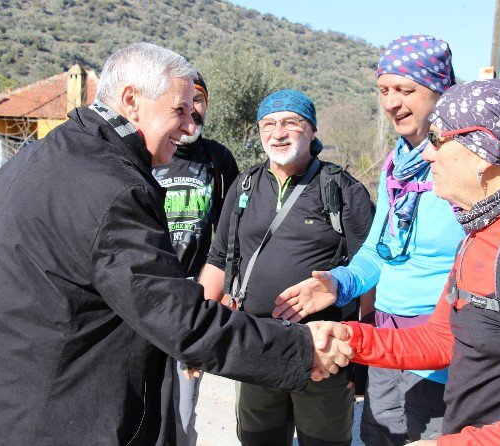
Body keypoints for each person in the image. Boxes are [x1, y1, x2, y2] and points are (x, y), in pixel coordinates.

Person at [0, 43, 351, 445]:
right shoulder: (110, 188)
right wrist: (301, 350)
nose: (189, 126)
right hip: (55, 418)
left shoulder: (35, 159)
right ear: (132, 100)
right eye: (179, 110)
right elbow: (178, 317)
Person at [319, 79, 500, 445]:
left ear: (483, 154)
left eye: (438, 141)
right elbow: (443, 340)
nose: (427, 155)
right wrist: (353, 339)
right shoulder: (478, 235)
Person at [274, 35, 465, 444]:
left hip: (441, 346)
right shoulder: (396, 164)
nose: (392, 103)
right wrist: (337, 283)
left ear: (441, 90)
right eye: (384, 90)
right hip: (385, 335)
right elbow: (379, 251)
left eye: (406, 90)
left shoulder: (464, 163)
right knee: (378, 435)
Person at [199, 89, 375, 446]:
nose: (277, 133)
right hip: (255, 344)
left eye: (290, 123)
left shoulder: (342, 190)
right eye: (268, 124)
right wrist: (195, 328)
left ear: (311, 130)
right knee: (258, 439)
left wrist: (363, 353)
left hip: (322, 351)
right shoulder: (244, 184)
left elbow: (370, 271)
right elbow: (219, 259)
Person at [152, 71, 239, 446]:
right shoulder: (147, 153)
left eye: (199, 100)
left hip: (193, 297)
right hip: (145, 290)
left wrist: (224, 292)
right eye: (184, 102)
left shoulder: (218, 159)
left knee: (184, 408)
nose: (193, 110)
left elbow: (232, 232)